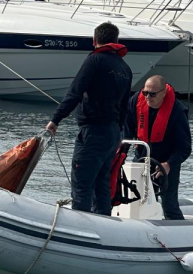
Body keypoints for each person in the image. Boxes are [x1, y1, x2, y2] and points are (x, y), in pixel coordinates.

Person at [46, 22, 133, 215]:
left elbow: (75, 92)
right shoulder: (125, 68)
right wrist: (119, 132)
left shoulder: (94, 61)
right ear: (117, 41)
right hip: (112, 133)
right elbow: (125, 107)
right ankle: (102, 224)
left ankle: (80, 228)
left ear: (94, 41)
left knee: (82, 184)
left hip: (93, 131)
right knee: (102, 184)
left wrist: (56, 119)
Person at [124, 75, 192, 220]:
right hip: (142, 157)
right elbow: (127, 133)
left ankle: (177, 231)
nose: (148, 97)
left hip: (167, 162)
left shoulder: (177, 112)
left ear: (163, 93)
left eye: (152, 94)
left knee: (169, 203)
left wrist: (169, 164)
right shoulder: (136, 102)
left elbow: (185, 148)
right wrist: (119, 156)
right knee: (136, 199)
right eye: (145, 93)